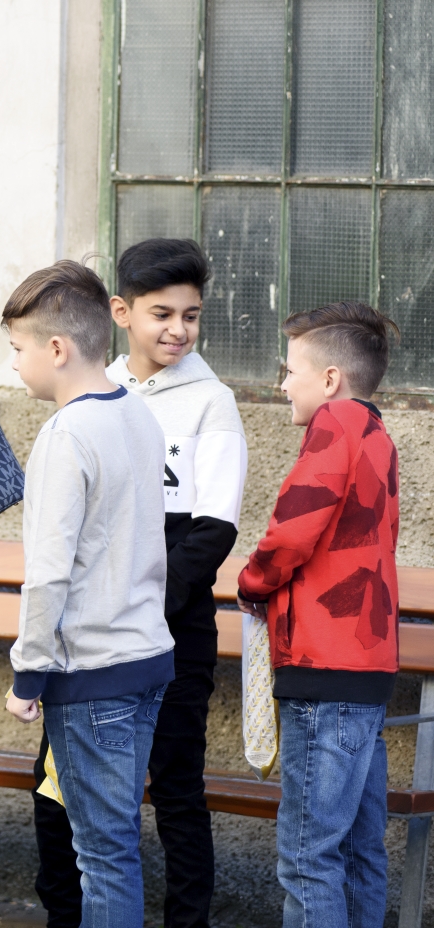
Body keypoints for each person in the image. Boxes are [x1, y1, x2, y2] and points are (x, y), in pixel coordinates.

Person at [31, 239, 247, 928]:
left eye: (191, 314)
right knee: (57, 791)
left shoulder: (213, 402)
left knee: (176, 791)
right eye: (162, 313)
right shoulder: (99, 393)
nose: (178, 329)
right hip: (90, 640)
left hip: (171, 630)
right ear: (121, 312)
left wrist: (140, 601)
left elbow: (214, 530)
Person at [2, 260, 174, 928]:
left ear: (56, 348)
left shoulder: (66, 434)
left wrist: (29, 671)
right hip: (147, 661)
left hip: (91, 674)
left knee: (101, 857)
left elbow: (49, 570)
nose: (14, 364)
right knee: (118, 847)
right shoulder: (137, 414)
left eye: (18, 348)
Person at [237, 302, 400, 928]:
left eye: (290, 369)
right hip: (364, 669)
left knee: (308, 858)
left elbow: (293, 532)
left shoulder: (334, 423)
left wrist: (253, 581)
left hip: (324, 668)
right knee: (360, 852)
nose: (282, 384)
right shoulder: (377, 434)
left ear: (330, 378)